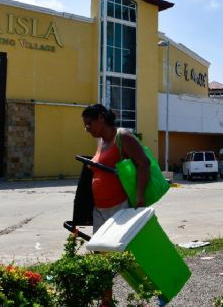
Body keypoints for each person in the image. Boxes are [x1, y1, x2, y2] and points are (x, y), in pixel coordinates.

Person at [82, 103, 151, 307]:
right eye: (85, 125)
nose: (87, 129)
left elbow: (143, 163)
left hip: (120, 208)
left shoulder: (123, 137)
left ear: (101, 119)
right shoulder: (101, 142)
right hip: (99, 210)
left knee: (128, 258)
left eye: (89, 124)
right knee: (101, 258)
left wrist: (139, 195)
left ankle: (146, 296)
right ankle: (106, 301)